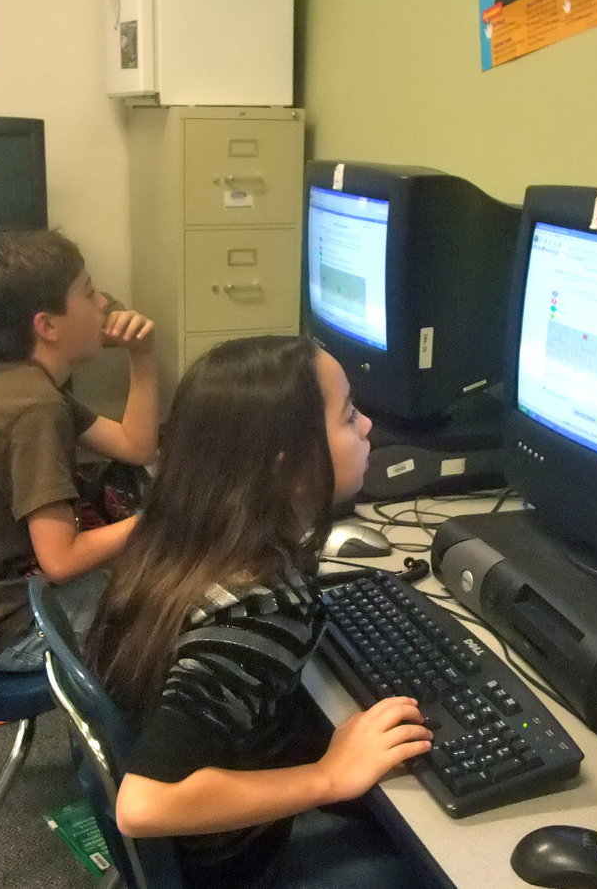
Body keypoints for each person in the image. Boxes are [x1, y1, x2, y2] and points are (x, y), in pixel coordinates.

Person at [86, 336, 433, 888]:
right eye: (348, 416)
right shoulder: (257, 611)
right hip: (234, 868)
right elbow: (144, 804)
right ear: (287, 464)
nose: (367, 426)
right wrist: (326, 777)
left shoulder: (181, 535)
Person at [0, 229, 158, 672]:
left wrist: (141, 358)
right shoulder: (34, 408)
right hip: (16, 630)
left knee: (155, 574)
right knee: (185, 606)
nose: (104, 303)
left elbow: (135, 446)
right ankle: (124, 736)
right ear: (47, 326)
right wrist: (166, 518)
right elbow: (62, 560)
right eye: (88, 293)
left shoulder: (18, 379)